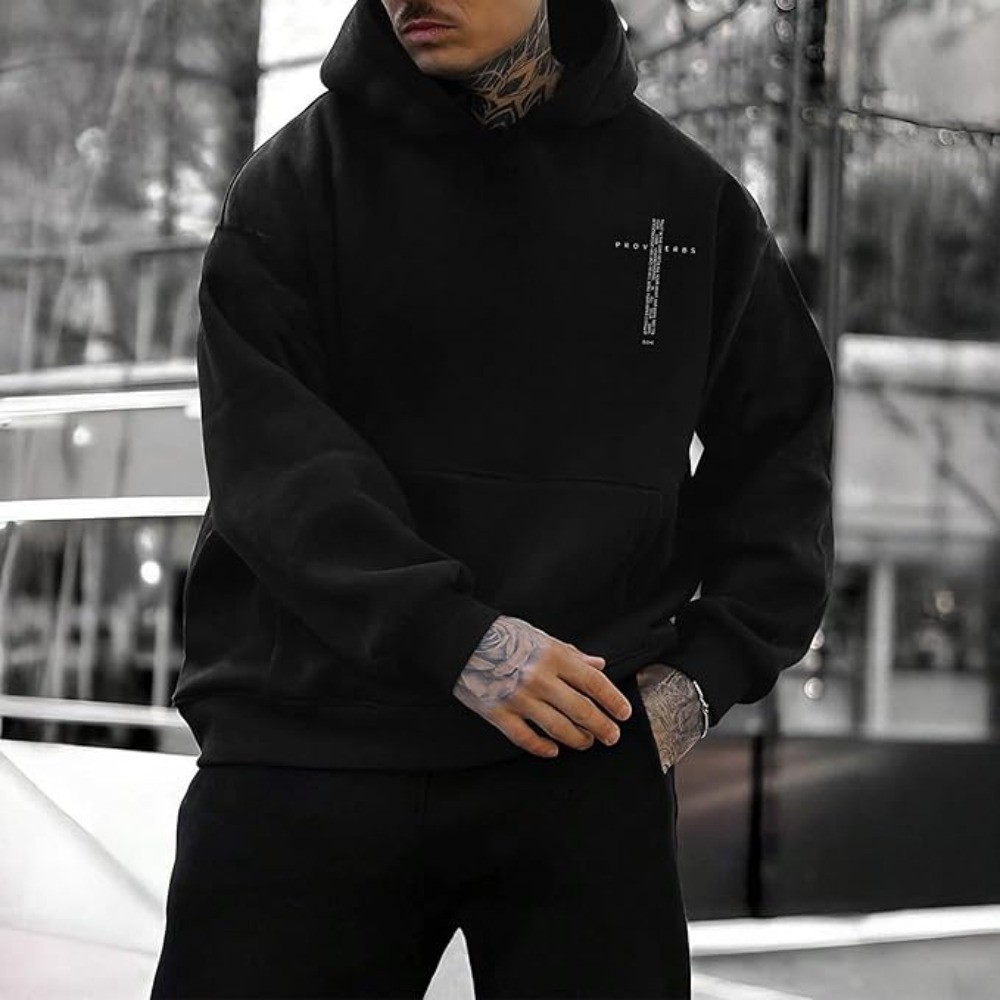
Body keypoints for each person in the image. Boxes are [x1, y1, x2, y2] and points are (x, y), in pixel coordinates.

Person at [150, 0, 835, 996]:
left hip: (582, 755)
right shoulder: (296, 185)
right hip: (309, 750)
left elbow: (782, 452)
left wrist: (697, 683)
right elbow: (276, 467)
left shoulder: (688, 202)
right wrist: (451, 637)